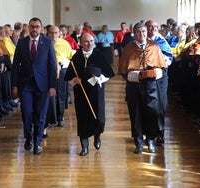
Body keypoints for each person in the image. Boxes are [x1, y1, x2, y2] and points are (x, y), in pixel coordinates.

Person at [118, 22, 167, 154]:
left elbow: (161, 68)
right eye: (139, 32)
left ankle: (150, 140)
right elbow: (124, 73)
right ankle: (138, 143)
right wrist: (138, 75)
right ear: (134, 34)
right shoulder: (129, 48)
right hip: (134, 86)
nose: (142, 34)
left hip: (151, 86)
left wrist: (153, 73)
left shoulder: (154, 46)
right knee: (136, 114)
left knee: (152, 113)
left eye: (144, 31)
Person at [11, 17, 57, 154]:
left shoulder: (47, 43)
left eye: (37, 27)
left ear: (41, 29)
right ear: (28, 28)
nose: (34, 29)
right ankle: (28, 137)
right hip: (26, 85)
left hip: (43, 85)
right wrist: (14, 85)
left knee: (41, 115)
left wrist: (52, 86)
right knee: (27, 113)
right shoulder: (22, 43)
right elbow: (15, 66)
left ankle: (37, 143)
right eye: (32, 26)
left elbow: (52, 65)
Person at [64, 33, 114, 156]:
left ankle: (97, 136)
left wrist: (100, 78)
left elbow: (108, 73)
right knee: (83, 119)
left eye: (91, 41)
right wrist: (73, 80)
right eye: (86, 41)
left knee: (99, 119)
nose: (89, 43)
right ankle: (84, 147)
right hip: (81, 93)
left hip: (96, 92)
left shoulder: (99, 55)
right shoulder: (76, 57)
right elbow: (69, 77)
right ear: (80, 43)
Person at [145, 19, 173, 146]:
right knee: (148, 105)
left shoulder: (161, 41)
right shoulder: (142, 41)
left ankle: (160, 133)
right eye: (150, 27)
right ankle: (149, 133)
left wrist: (161, 62)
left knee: (161, 104)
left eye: (155, 26)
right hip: (146, 76)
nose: (153, 29)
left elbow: (169, 57)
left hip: (161, 76)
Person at [48, 25, 73, 127]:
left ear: (59, 34)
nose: (54, 35)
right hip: (48, 72)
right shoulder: (45, 43)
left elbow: (70, 57)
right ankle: (50, 118)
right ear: (48, 33)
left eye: (56, 33)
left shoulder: (64, 43)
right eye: (52, 33)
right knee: (50, 95)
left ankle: (60, 117)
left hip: (61, 71)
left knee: (61, 95)